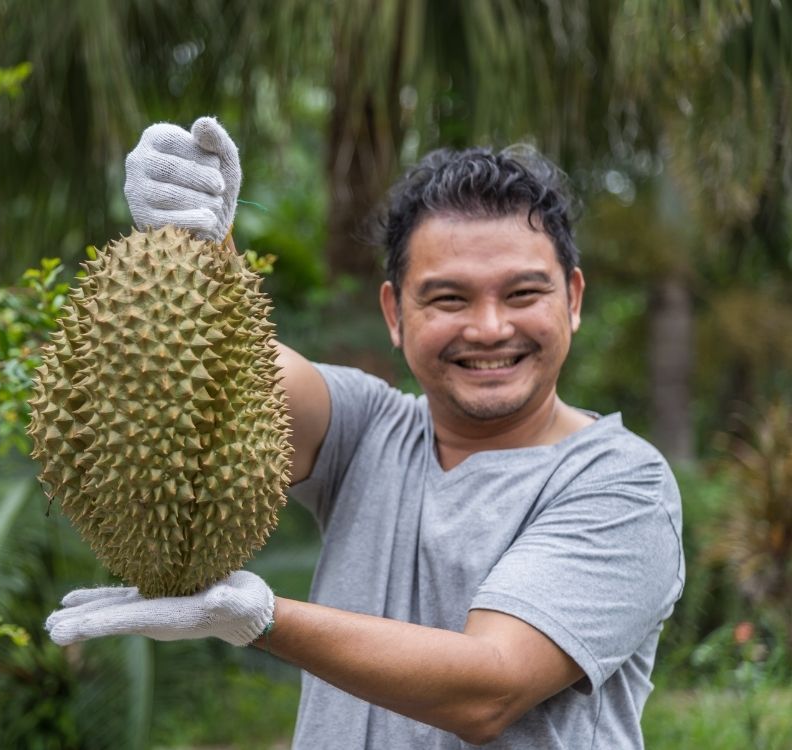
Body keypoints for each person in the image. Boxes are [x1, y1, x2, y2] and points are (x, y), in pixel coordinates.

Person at [45, 117, 685, 749]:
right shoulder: (371, 428)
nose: (490, 328)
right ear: (394, 313)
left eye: (522, 293)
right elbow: (230, 370)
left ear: (572, 298)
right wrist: (202, 233)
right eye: (448, 299)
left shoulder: (623, 484)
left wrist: (262, 620)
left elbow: (489, 689)